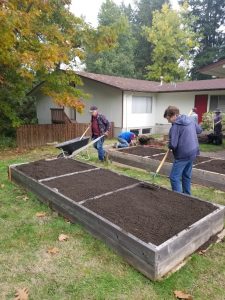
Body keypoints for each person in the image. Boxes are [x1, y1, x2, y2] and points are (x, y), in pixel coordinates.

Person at [164, 106, 202, 195]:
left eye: (168, 118)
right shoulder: (190, 120)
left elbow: (173, 144)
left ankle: (179, 198)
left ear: (174, 115)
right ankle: (187, 196)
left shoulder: (175, 126)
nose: (168, 121)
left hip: (183, 154)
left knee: (174, 177)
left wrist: (169, 144)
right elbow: (199, 130)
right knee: (186, 175)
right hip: (193, 151)